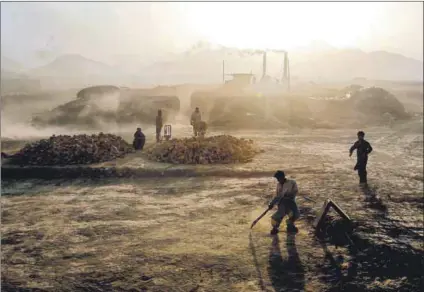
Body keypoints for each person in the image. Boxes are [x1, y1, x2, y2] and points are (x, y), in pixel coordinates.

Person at [268, 170, 300, 235]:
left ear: (283, 177)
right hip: (281, 204)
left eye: (278, 178)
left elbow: (295, 191)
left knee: (294, 215)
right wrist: (271, 204)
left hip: (290, 204)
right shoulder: (278, 185)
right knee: (276, 218)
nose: (277, 180)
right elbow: (277, 196)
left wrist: (289, 195)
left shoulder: (292, 182)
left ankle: (291, 227)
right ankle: (275, 228)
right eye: (277, 178)